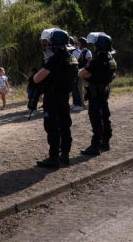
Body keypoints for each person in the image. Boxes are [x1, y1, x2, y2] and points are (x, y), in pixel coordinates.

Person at [31, 29, 79, 168]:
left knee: (52, 127)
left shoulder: (56, 58)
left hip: (53, 97)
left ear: (55, 44)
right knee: (65, 125)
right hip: (65, 97)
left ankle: (53, 158)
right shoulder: (72, 58)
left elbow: (37, 78)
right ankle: (65, 154)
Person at [78, 33, 117, 155]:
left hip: (96, 93)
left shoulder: (97, 60)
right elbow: (112, 75)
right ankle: (105, 142)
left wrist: (89, 75)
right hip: (104, 90)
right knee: (105, 116)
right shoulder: (111, 59)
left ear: (99, 46)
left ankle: (95, 145)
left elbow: (81, 73)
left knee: (95, 118)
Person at [76, 37, 93, 109]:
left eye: (79, 43)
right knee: (79, 88)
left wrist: (87, 71)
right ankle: (82, 103)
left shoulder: (87, 52)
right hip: (78, 72)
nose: (77, 44)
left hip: (84, 72)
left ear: (82, 43)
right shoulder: (77, 51)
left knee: (87, 88)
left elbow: (90, 62)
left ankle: (92, 102)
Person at [69, 37, 84, 111]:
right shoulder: (71, 51)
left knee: (75, 88)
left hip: (75, 72)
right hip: (72, 72)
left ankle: (79, 104)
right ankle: (75, 103)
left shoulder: (75, 51)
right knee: (73, 89)